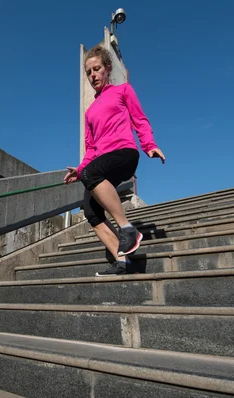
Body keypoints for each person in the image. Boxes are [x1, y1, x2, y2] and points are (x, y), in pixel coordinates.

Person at [64, 45, 165, 276]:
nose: (93, 75)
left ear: (107, 69)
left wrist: (149, 145)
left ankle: (128, 229)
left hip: (124, 153)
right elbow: (91, 149)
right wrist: (79, 170)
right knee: (91, 212)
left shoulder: (123, 91)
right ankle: (123, 261)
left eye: (96, 69)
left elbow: (140, 120)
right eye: (89, 72)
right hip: (101, 162)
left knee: (92, 174)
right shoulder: (89, 112)